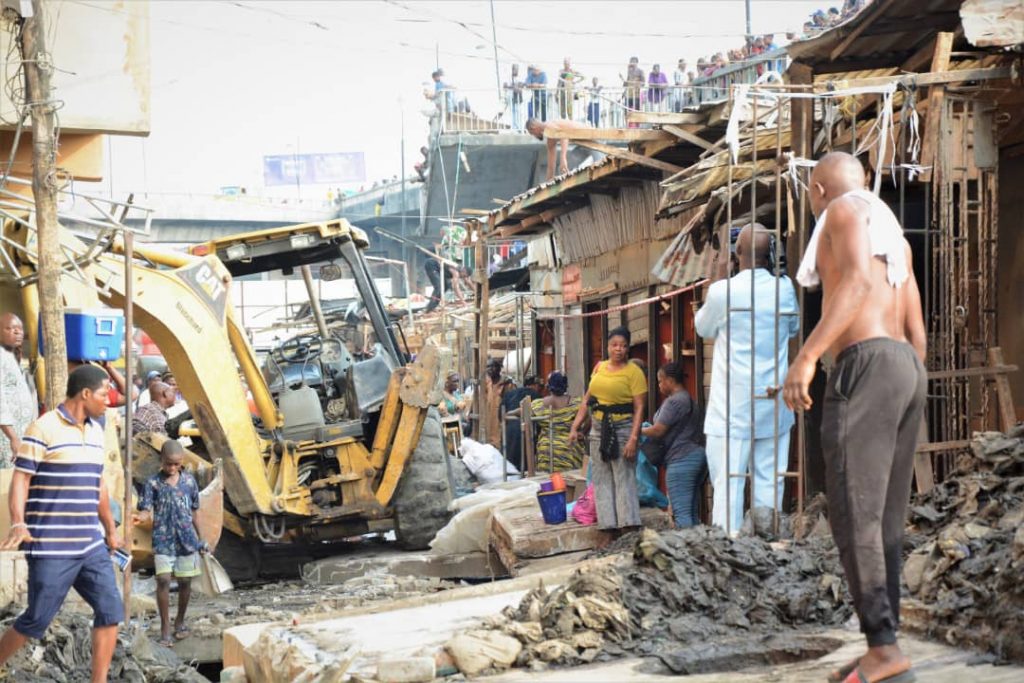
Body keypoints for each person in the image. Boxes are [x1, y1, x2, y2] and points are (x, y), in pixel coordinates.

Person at [783, 151, 926, 683]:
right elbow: (918, 333)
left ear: (818, 189)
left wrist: (807, 357)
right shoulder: (895, 238)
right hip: (905, 367)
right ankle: (884, 647)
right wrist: (902, 379)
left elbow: (858, 284)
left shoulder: (841, 210)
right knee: (884, 518)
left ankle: (883, 651)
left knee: (853, 512)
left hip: (865, 365)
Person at [0, 365, 124, 682]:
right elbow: (21, 478)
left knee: (111, 611)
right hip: (51, 547)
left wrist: (110, 530)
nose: (108, 400)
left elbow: (98, 484)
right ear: (86, 394)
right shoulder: (43, 428)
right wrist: (18, 522)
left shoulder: (96, 431)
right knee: (36, 620)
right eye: (104, 394)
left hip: (90, 544)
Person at [695, 223, 800, 536]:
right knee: (770, 484)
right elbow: (792, 329)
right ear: (770, 254)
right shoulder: (785, 289)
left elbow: (703, 328)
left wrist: (717, 276)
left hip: (732, 409)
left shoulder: (723, 292)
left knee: (728, 487)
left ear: (736, 252)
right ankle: (767, 546)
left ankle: (727, 548)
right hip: (773, 404)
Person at [569, 327, 646, 535]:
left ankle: (628, 527)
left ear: (628, 349)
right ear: (608, 347)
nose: (618, 349)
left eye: (623, 346)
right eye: (614, 345)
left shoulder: (634, 372)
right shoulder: (599, 368)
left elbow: (640, 407)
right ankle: (607, 528)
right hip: (598, 428)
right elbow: (587, 400)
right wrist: (575, 427)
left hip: (623, 428)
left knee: (624, 477)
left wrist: (633, 438)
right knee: (601, 478)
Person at [134, 440, 207, 647]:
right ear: (161, 461)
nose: (172, 468)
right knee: (163, 580)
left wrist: (201, 538)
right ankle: (165, 627)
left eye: (176, 464)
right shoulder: (153, 483)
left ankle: (180, 622)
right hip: (163, 539)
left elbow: (195, 511)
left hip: (187, 540)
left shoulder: (189, 482)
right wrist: (142, 516)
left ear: (182, 462)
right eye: (168, 464)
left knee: (185, 582)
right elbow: (146, 508)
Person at [641, 362, 706, 528]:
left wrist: (636, 430)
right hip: (696, 456)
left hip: (681, 460)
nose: (659, 385)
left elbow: (658, 430)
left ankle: (685, 542)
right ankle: (697, 541)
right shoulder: (689, 399)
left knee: (681, 512)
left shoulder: (674, 402)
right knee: (691, 511)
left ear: (670, 380)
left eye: (660, 381)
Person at [531, 371, 587, 473]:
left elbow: (524, 413)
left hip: (546, 450)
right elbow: (590, 417)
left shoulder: (538, 404)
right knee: (568, 479)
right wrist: (583, 432)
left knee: (547, 479)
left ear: (548, 386)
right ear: (566, 386)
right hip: (569, 448)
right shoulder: (577, 403)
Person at [0, 313, 35, 469]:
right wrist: (12, 437)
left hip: (19, 435)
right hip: (6, 438)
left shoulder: (10, 355)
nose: (17, 332)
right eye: (10, 328)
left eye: (20, 329)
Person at [526, 117, 590, 181]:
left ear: (533, 127)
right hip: (583, 142)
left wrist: (563, 158)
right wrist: (548, 181)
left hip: (589, 135)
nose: (535, 136)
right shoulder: (550, 136)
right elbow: (551, 165)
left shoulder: (549, 126)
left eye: (532, 133)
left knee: (565, 165)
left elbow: (564, 135)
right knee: (563, 167)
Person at [502, 376, 543, 472]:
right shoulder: (536, 396)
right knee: (526, 466)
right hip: (526, 434)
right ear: (534, 385)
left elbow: (501, 415)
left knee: (510, 467)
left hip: (510, 434)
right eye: (539, 386)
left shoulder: (509, 394)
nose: (541, 389)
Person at [483, 358, 505, 449]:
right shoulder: (488, 385)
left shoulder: (506, 384)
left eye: (492, 366)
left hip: (501, 426)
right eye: (487, 367)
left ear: (499, 368)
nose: (490, 369)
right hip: (490, 426)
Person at [504, 64, 525, 129]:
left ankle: (519, 127)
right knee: (512, 112)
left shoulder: (520, 77)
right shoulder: (508, 77)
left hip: (518, 97)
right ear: (512, 69)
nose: (516, 71)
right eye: (515, 69)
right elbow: (505, 85)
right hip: (511, 96)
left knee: (519, 112)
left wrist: (515, 87)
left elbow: (522, 85)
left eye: (517, 69)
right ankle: (513, 127)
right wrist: (514, 87)